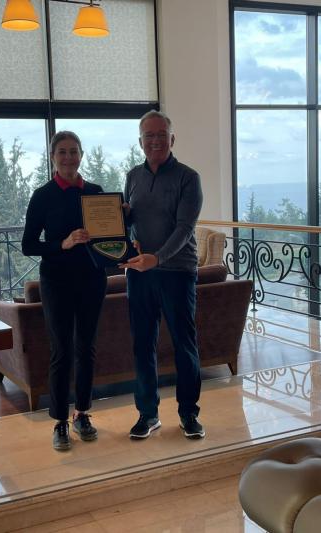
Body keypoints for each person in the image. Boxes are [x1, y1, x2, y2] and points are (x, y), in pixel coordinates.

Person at [119, 110, 205, 440]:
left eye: (161, 134)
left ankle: (188, 413)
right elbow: (132, 221)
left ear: (172, 138)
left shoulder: (188, 178)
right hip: (140, 273)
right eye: (148, 135)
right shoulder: (132, 177)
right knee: (142, 344)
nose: (155, 140)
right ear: (140, 141)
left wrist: (158, 259)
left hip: (177, 272)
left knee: (185, 344)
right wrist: (120, 220)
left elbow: (185, 228)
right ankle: (148, 414)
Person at [22, 131, 107, 451]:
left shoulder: (97, 193)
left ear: (81, 155)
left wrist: (122, 220)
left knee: (87, 348)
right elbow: (29, 245)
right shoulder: (42, 196)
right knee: (61, 351)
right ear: (53, 157)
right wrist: (63, 243)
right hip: (56, 281)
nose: (68, 157)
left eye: (73, 151)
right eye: (62, 152)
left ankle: (82, 413)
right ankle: (59, 421)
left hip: (92, 279)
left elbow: (110, 238)